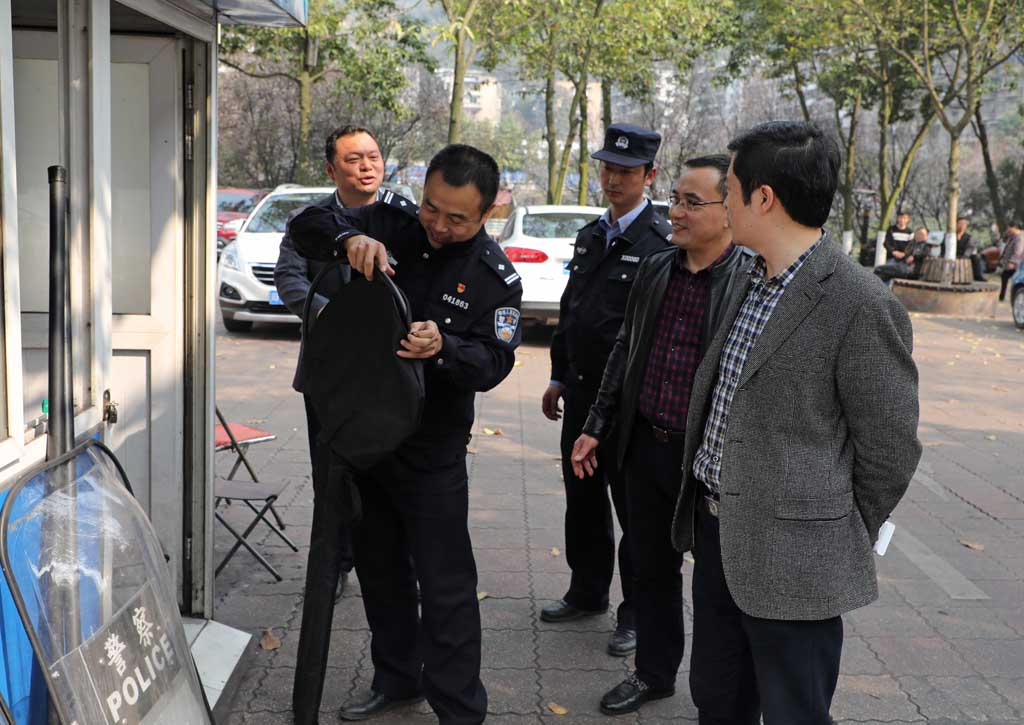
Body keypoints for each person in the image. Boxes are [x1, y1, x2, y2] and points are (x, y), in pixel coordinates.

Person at [671, 121, 920, 724]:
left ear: (763, 198)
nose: (722, 201)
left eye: (729, 188)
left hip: (797, 561)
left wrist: (826, 527)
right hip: (717, 537)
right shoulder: (747, 275)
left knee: (794, 712)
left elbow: (889, 450)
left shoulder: (860, 303)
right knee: (717, 701)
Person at [289, 144, 522, 724]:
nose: (438, 225)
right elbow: (305, 226)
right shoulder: (390, 221)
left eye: (457, 218)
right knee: (380, 571)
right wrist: (349, 239)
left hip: (431, 452)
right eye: (431, 208)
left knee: (445, 588)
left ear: (488, 211)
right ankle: (396, 680)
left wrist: (445, 348)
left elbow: (495, 362)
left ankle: (460, 708)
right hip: (367, 439)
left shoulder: (494, 277)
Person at [570, 155, 751, 715]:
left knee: (717, 587)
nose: (676, 212)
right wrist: (596, 425)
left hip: (710, 461)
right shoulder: (656, 268)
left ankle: (721, 701)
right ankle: (653, 673)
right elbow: (626, 349)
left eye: (692, 202)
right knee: (649, 567)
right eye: (675, 199)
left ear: (730, 210)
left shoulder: (752, 279)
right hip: (647, 444)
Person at [275, 125, 399, 725]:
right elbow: (290, 281)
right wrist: (333, 318)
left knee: (382, 479)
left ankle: (383, 562)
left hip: (387, 380)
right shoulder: (312, 223)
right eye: (353, 159)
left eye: (373, 156)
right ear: (332, 170)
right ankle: (336, 564)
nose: (366, 166)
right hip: (327, 376)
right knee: (330, 478)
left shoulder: (400, 219)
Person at [540, 123, 670, 657]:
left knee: (634, 512)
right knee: (583, 500)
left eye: (626, 172)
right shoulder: (592, 234)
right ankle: (586, 590)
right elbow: (572, 310)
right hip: (580, 394)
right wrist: (557, 375)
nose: (614, 180)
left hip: (628, 406)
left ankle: (635, 614)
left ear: (649, 175)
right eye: (608, 169)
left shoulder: (661, 243)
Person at [999, 220, 1024, 302]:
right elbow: (1006, 247)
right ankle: (1002, 296)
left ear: (1014, 227)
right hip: (1013, 263)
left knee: (1008, 277)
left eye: (1009, 227)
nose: (1008, 229)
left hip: (1017, 264)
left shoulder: (1020, 238)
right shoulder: (1013, 236)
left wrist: (1013, 262)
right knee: (1005, 276)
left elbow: (1018, 251)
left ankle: (1003, 296)